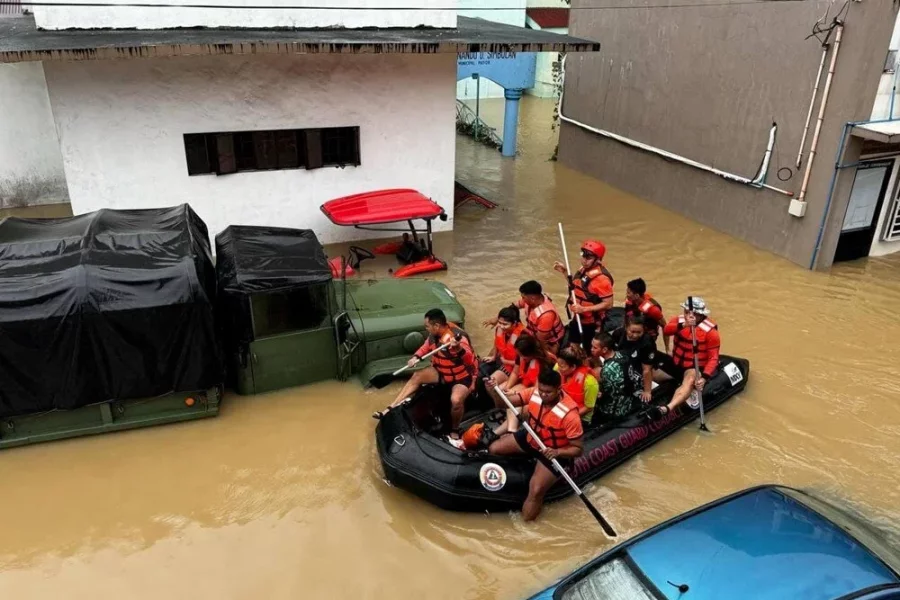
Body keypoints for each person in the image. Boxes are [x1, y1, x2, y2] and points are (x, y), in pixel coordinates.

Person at [487, 368, 584, 521]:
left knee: (536, 489)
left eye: (548, 392)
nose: (543, 395)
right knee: (494, 448)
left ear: (558, 390)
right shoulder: (534, 393)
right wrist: (494, 391)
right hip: (532, 437)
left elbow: (578, 449)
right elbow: (503, 404)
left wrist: (558, 452)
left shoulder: (570, 416)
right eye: (542, 390)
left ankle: (526, 526)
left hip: (553, 451)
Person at [373, 309, 476, 434]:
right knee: (417, 376)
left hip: (461, 377)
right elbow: (426, 346)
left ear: (436, 325)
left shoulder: (459, 338)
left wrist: (457, 348)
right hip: (441, 372)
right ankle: (390, 407)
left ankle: (455, 429)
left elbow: (469, 360)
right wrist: (416, 357)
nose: (426, 328)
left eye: (427, 326)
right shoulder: (435, 334)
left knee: (456, 400)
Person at [648, 297, 721, 421]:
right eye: (686, 312)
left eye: (691, 313)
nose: (687, 315)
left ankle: (668, 408)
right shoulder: (679, 321)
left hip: (694, 366)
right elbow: (666, 330)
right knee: (648, 364)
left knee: (691, 378)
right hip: (676, 362)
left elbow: (713, 357)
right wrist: (684, 325)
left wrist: (704, 377)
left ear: (699, 314)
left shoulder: (711, 333)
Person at [553, 240, 614, 352]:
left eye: (589, 258)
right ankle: (576, 361)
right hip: (578, 318)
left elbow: (609, 304)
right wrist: (565, 272)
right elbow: (576, 286)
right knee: (573, 346)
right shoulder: (583, 269)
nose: (584, 260)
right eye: (583, 256)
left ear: (598, 259)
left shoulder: (602, 280)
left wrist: (584, 309)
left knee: (590, 351)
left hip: (591, 323)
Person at [484, 281, 565, 354]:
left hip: (549, 342)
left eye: (523, 297)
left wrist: (519, 334)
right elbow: (514, 306)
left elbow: (540, 339)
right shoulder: (532, 301)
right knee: (502, 331)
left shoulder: (546, 315)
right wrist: (497, 318)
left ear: (532, 298)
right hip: (532, 332)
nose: (522, 299)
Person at [486, 334, 556, 409]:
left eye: (523, 357)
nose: (521, 358)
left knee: (509, 397)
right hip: (524, 382)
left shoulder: (545, 363)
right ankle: (501, 408)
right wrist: (507, 388)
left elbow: (537, 388)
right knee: (500, 391)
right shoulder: (521, 354)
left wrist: (515, 393)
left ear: (532, 353)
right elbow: (515, 373)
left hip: (535, 389)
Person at [590, 332, 641, 426]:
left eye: (595, 348)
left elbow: (606, 394)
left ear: (604, 349)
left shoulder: (607, 370)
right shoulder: (621, 355)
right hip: (629, 399)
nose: (591, 349)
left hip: (615, 410)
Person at [611, 314, 657, 405]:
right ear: (626, 327)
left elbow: (647, 370)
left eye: (639, 332)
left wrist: (647, 391)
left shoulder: (647, 342)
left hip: (639, 367)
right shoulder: (618, 334)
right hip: (622, 362)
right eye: (632, 332)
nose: (635, 335)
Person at [479, 305, 525, 386]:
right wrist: (493, 357)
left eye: (505, 324)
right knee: (480, 371)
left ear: (514, 323)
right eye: (500, 323)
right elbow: (497, 342)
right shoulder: (499, 329)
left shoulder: (522, 337)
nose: (501, 326)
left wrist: (506, 362)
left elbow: (524, 362)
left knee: (490, 384)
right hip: (503, 360)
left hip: (515, 367)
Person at [554, 344, 598, 421]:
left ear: (573, 367)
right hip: (560, 408)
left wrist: (567, 418)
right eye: (558, 364)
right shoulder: (558, 367)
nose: (558, 368)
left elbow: (589, 407)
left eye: (562, 366)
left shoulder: (589, 382)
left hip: (580, 418)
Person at [624, 278, 669, 352]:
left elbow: (665, 327)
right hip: (632, 329)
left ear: (637, 295)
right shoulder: (630, 301)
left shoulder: (653, 309)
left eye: (629, 293)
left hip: (647, 335)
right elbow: (626, 316)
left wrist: (667, 348)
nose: (627, 295)